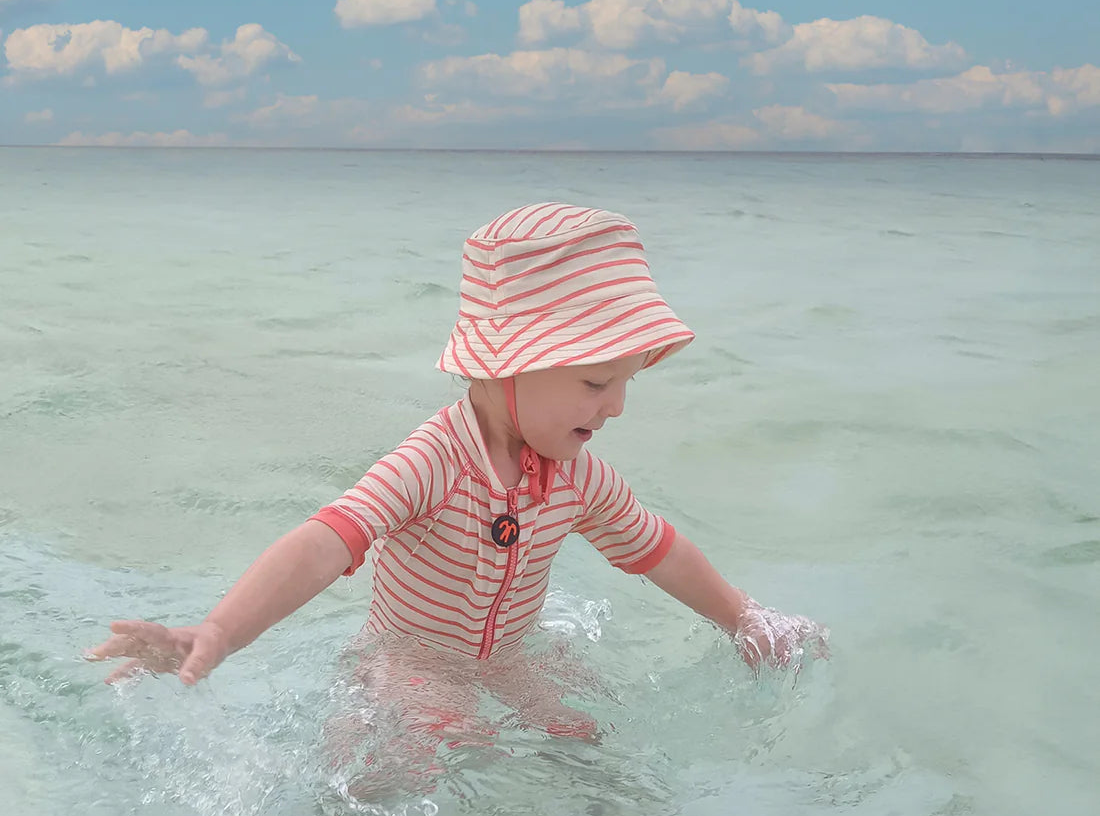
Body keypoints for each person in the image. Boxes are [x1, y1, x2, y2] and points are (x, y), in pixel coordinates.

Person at [86, 203, 828, 786]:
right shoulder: (432, 463)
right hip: (409, 657)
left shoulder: (576, 476)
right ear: (508, 366)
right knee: (431, 753)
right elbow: (324, 541)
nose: (617, 407)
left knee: (587, 741)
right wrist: (217, 634)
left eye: (627, 381)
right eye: (598, 382)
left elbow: (658, 551)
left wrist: (743, 620)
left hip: (509, 655)